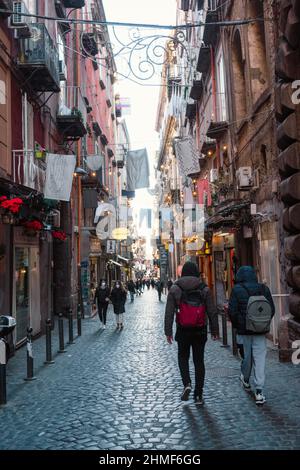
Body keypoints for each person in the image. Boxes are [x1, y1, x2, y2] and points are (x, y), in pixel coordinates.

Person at [165, 261, 219, 405]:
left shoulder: (175, 288)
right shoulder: (204, 288)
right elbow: (212, 311)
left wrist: (168, 331)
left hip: (183, 329)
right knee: (199, 361)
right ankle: (199, 394)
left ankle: (187, 383)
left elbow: (169, 312)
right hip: (200, 329)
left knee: (183, 357)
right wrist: (215, 330)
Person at [228, 266, 275, 405]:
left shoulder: (236, 290)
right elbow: (271, 309)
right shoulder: (263, 289)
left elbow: (232, 311)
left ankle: (246, 380)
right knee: (260, 359)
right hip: (260, 331)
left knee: (247, 358)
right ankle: (259, 391)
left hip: (244, 332)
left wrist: (239, 325)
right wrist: (262, 323)